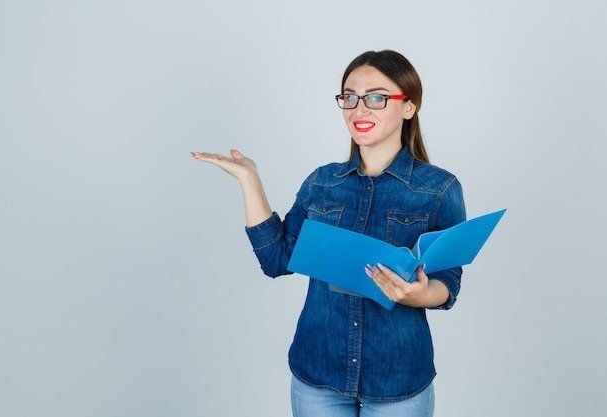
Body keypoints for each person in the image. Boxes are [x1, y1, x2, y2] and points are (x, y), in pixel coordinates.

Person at [192, 50, 466, 417]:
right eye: (350, 97)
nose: (359, 110)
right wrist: (249, 179)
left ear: (409, 107)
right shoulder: (322, 182)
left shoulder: (440, 189)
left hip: (397, 379)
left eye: (376, 98)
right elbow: (276, 260)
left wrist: (420, 295)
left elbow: (448, 280)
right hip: (318, 374)